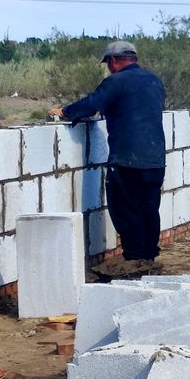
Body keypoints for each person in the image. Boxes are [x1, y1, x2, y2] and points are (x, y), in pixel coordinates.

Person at [48, 41, 166, 267]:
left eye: (108, 64)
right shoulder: (154, 80)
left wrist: (65, 111)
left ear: (113, 61)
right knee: (149, 208)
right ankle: (149, 256)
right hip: (155, 159)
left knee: (125, 209)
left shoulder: (116, 81)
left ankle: (134, 259)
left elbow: (92, 104)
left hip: (127, 159)